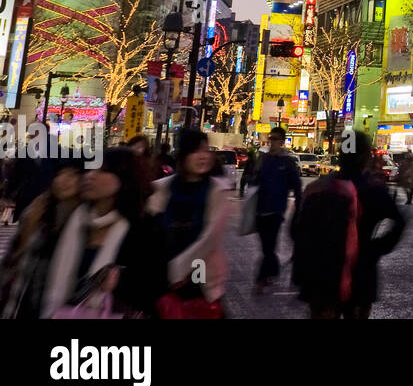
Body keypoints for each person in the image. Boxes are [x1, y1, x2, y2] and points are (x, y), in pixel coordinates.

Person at [293, 131, 405, 319]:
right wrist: (375, 249)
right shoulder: (373, 190)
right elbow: (399, 221)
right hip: (360, 273)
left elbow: (296, 229)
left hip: (322, 274)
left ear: (340, 154)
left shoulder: (319, 188)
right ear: (365, 156)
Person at [41, 148, 163, 318]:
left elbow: (154, 286)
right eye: (90, 169)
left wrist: (118, 282)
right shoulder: (74, 219)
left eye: (103, 171)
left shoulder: (144, 227)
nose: (90, 176)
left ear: (124, 179)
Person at [146, 129, 233, 317]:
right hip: (163, 277)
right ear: (183, 155)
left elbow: (209, 239)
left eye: (206, 150)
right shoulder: (160, 188)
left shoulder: (218, 190)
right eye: (195, 151)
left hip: (201, 276)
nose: (203, 156)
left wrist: (178, 269)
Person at [0, 160, 83, 318]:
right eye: (60, 174)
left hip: (61, 305)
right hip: (23, 299)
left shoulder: (85, 219)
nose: (64, 180)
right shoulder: (38, 210)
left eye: (73, 174)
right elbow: (13, 260)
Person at [248, 126, 301, 292]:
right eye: (271, 138)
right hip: (260, 209)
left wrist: (300, 205)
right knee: (266, 246)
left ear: (282, 141)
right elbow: (253, 179)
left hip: (276, 210)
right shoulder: (263, 159)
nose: (273, 142)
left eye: (276, 139)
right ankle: (273, 270)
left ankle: (262, 279)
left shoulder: (287, 162)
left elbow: (296, 186)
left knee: (269, 246)